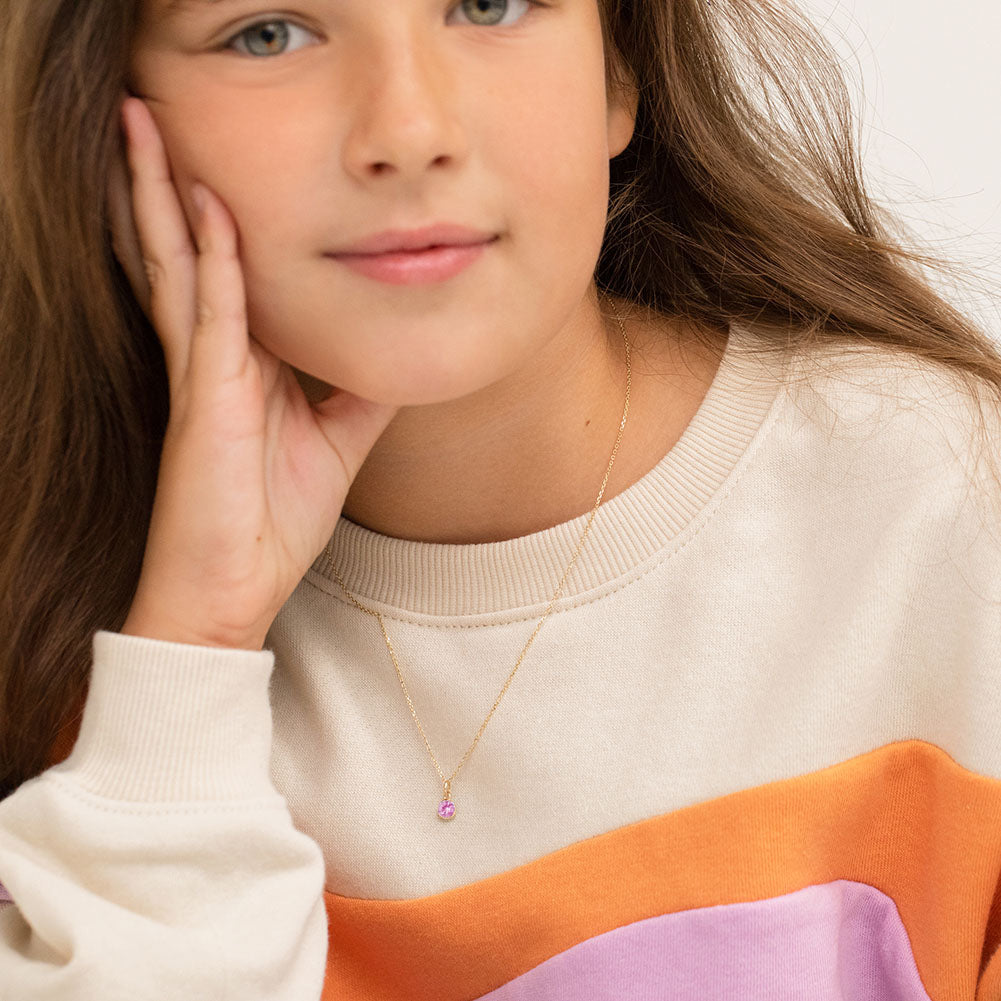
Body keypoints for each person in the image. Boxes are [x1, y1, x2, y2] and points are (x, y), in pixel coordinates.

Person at [0, 0, 999, 997]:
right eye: (268, 34)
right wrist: (190, 648)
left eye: (490, 4)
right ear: (103, 119)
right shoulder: (59, 658)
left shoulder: (945, 506)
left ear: (617, 68)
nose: (408, 131)